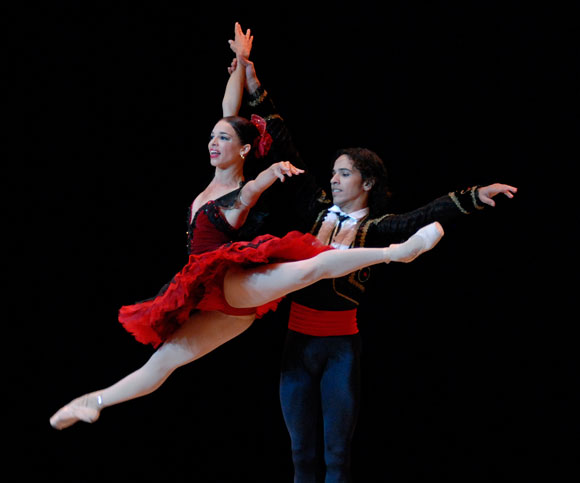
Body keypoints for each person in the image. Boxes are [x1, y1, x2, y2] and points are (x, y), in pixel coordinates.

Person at [49, 25, 444, 431]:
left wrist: (272, 170)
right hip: (212, 301)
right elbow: (228, 104)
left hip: (234, 285)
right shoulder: (213, 182)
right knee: (162, 364)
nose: (213, 143)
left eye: (223, 139)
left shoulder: (239, 192)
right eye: (211, 137)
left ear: (243, 150)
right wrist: (240, 62)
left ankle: (398, 252)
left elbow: (254, 185)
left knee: (316, 265)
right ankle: (92, 401)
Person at [226, 24, 517, 483]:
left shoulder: (379, 228)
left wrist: (477, 194)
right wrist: (251, 75)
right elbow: (283, 141)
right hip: (296, 344)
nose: (335, 180)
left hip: (341, 348)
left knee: (337, 459)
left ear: (368, 182)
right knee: (301, 454)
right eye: (334, 173)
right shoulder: (315, 204)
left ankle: (408, 252)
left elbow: (429, 211)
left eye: (344, 174)